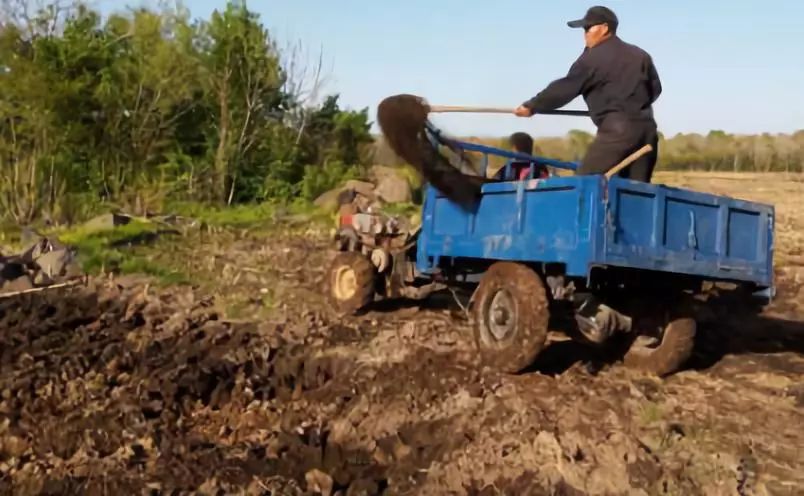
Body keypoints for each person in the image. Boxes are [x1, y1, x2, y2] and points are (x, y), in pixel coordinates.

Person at [514, 6, 662, 183]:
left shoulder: (592, 59)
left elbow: (565, 88)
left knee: (583, 184)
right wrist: (629, 105)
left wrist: (531, 106)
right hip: (648, 132)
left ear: (605, 28)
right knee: (636, 192)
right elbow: (655, 90)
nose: (585, 34)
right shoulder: (640, 55)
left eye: (588, 28)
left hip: (618, 133)